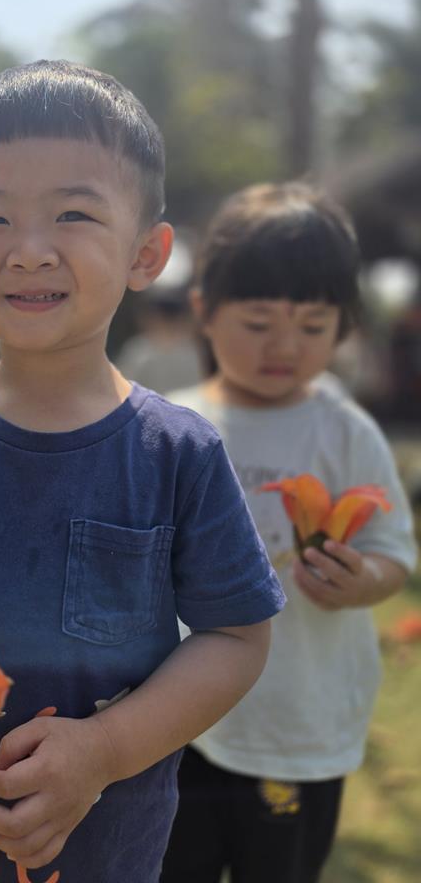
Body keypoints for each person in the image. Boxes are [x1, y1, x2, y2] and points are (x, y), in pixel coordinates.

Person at [0, 60, 285, 883]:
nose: (29, 252)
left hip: (102, 854)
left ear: (147, 254)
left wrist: (105, 749)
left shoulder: (178, 453)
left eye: (73, 213)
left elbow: (237, 638)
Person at [161, 182, 418, 883]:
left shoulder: (344, 431)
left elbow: (393, 551)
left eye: (312, 326)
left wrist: (362, 580)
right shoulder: (168, 426)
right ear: (204, 312)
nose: (284, 346)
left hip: (296, 725)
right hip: (171, 722)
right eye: (257, 323)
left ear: (344, 326)